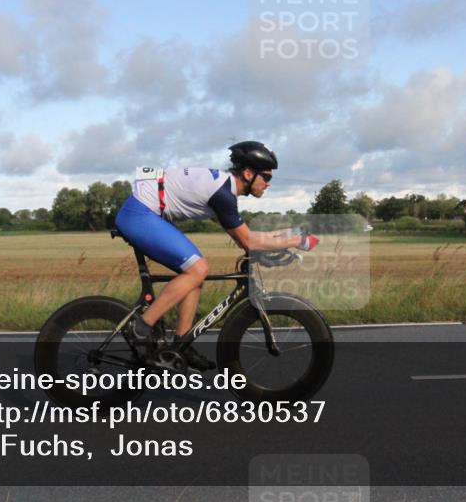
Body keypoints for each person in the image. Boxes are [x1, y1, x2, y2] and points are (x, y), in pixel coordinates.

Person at [113, 141, 319, 371]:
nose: (268, 183)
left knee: (194, 272)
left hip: (149, 212)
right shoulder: (223, 195)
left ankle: (181, 343)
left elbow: (248, 237)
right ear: (248, 174)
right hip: (139, 214)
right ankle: (140, 328)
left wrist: (288, 234)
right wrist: (296, 241)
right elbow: (249, 242)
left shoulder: (224, 189)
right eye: (266, 177)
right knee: (198, 269)